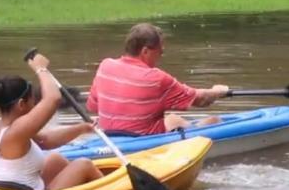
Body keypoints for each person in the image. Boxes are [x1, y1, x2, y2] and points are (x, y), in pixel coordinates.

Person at [0, 54, 102, 190]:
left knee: (55, 159)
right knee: (84, 165)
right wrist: (41, 69)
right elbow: (53, 99)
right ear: (22, 104)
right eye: (33, 100)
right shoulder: (17, 130)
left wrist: (83, 128)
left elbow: (44, 141)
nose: (35, 105)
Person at [86, 23, 229, 136]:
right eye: (160, 51)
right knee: (214, 120)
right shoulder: (156, 78)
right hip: (143, 140)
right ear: (145, 51)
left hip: (109, 138)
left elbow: (92, 107)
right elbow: (200, 100)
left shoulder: (105, 66)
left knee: (173, 119)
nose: (161, 56)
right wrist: (217, 91)